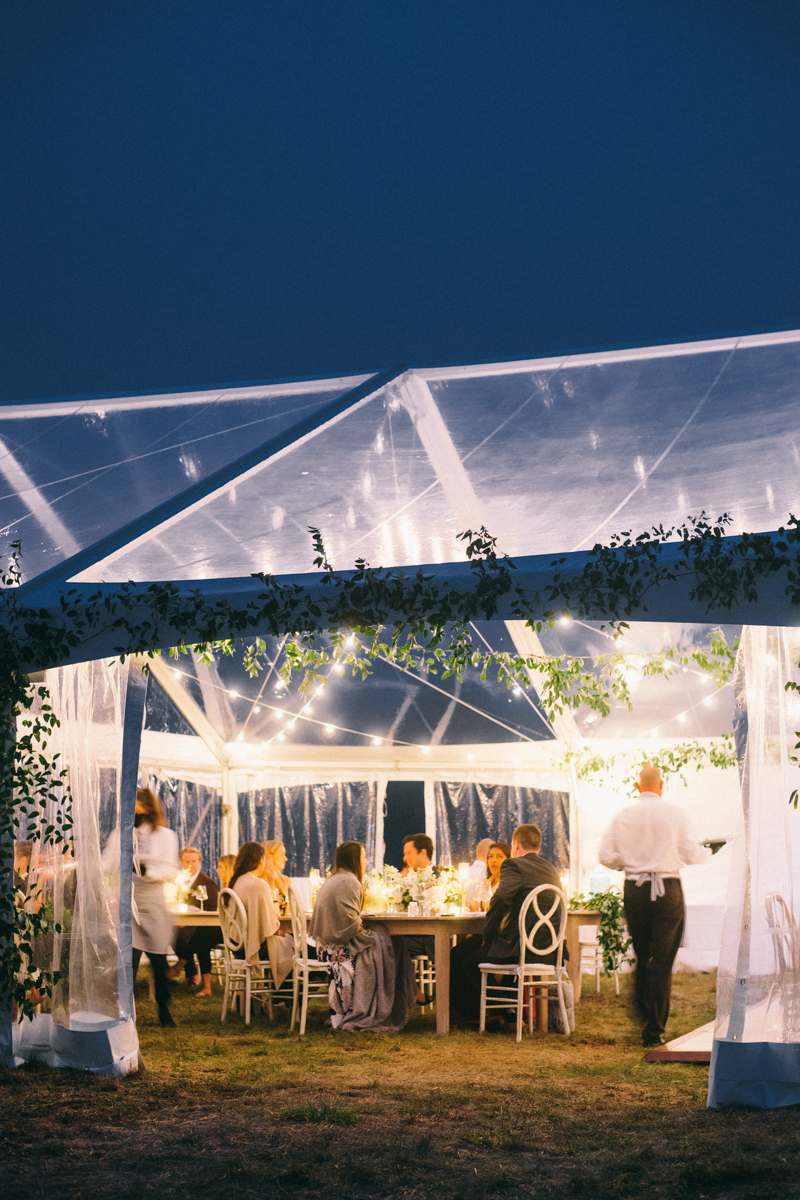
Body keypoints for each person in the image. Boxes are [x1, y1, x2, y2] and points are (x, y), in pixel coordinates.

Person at [598, 763, 711, 1047]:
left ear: (638, 786)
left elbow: (604, 855)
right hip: (667, 889)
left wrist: (628, 863)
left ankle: (644, 1009)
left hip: (635, 888)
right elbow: (691, 853)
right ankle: (654, 1028)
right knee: (662, 958)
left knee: (642, 951)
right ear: (661, 785)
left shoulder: (624, 814)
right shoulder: (674, 813)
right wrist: (708, 851)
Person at [449, 823, 565, 1027]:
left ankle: (501, 1011)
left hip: (518, 949)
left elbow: (501, 898)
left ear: (516, 845)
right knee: (466, 953)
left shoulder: (514, 865)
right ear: (538, 846)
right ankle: (500, 1011)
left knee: (465, 959)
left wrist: (488, 933)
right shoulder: (551, 869)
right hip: (549, 950)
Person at [309, 841, 416, 1031]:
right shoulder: (349, 881)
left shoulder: (336, 878)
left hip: (325, 945)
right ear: (354, 859)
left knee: (391, 942)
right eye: (364, 856)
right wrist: (366, 929)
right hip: (336, 949)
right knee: (390, 942)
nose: (366, 861)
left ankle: (404, 996)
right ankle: (398, 999)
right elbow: (349, 924)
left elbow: (345, 919)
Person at [131, 787, 180, 1028]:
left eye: (136, 804)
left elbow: (170, 868)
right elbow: (109, 860)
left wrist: (148, 872)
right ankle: (126, 1013)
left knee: (158, 959)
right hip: (129, 901)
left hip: (154, 899)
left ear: (148, 807)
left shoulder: (165, 836)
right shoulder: (124, 833)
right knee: (128, 959)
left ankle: (163, 1007)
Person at [228, 841, 294, 993]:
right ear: (261, 860)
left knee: (294, 945)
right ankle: (290, 1003)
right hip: (255, 948)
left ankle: (281, 1002)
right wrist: (283, 933)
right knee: (303, 951)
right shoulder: (258, 884)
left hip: (237, 946)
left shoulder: (236, 881)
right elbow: (269, 927)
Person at [168, 846, 221, 996]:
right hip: (178, 921)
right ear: (181, 862)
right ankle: (188, 972)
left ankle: (189, 972)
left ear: (199, 862)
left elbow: (211, 910)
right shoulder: (175, 881)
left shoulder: (208, 883)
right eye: (187, 861)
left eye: (194, 861)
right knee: (169, 933)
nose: (190, 865)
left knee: (183, 933)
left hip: (201, 925)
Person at [261, 839, 290, 914]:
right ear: (269, 855)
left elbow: (291, 912)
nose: (285, 859)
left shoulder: (285, 881)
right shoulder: (258, 882)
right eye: (281, 854)